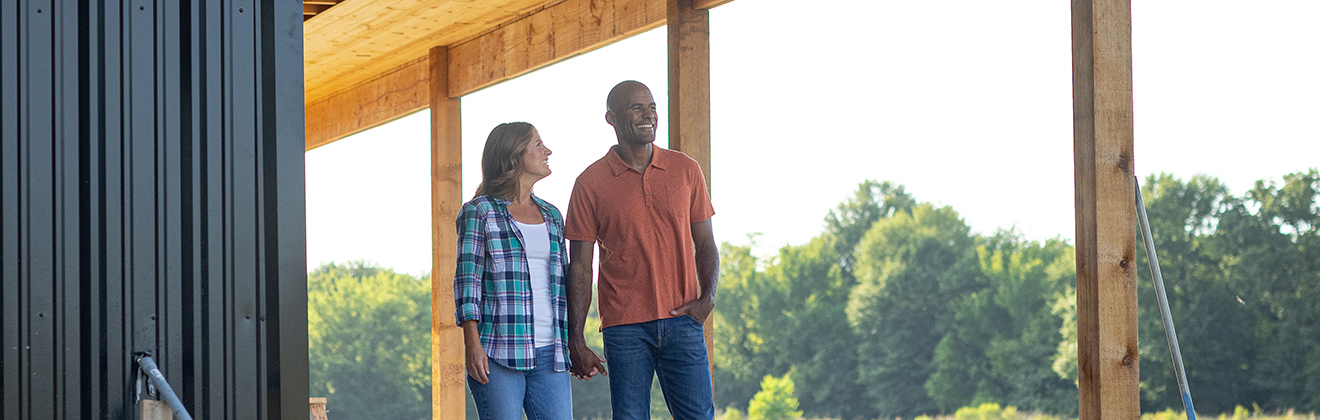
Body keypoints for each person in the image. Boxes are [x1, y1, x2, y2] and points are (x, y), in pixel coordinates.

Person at [565, 80, 720, 419]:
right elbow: (579, 267)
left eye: (651, 106)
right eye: (636, 107)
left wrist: (707, 298)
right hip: (625, 327)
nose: (648, 114)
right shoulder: (589, 183)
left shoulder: (686, 169)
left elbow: (706, 244)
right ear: (612, 118)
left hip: (683, 320)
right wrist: (575, 336)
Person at [453, 122, 572, 420]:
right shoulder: (479, 211)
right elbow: (468, 284)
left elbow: (563, 286)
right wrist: (473, 346)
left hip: (550, 355)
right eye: (538, 145)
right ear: (515, 155)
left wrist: (575, 343)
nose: (548, 151)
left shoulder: (552, 216)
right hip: (497, 353)